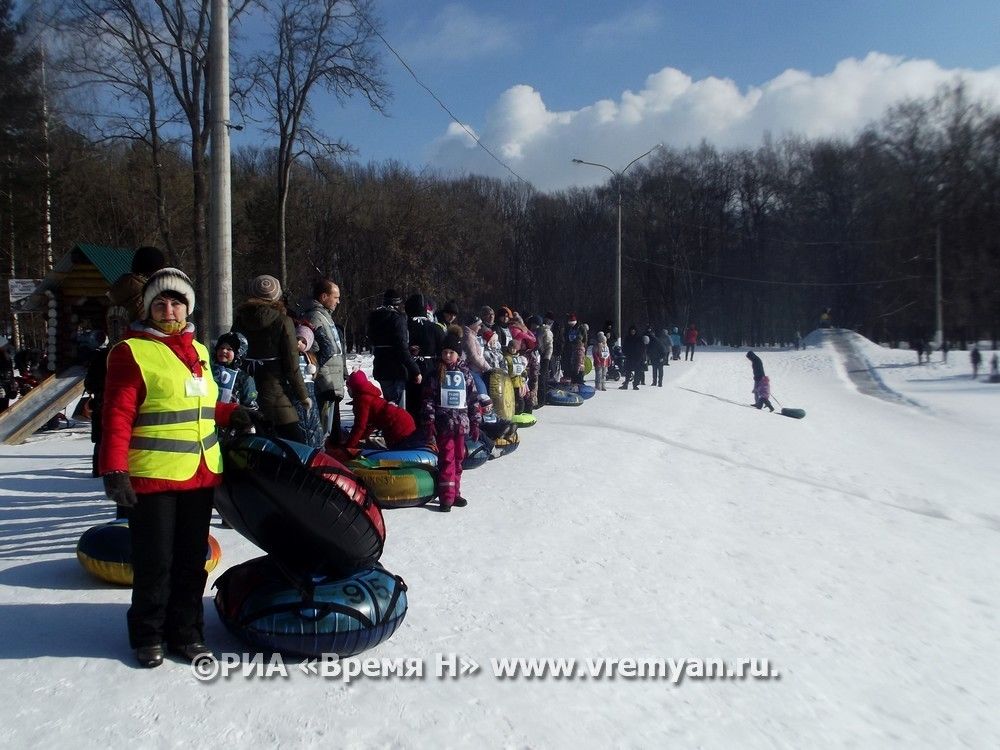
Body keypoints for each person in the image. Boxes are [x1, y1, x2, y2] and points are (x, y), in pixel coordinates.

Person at [99, 268, 251, 668]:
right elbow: (116, 416)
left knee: (190, 559)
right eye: (160, 303)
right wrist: (114, 470)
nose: (169, 310)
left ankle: (187, 633)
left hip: (199, 474)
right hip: (153, 477)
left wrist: (229, 413)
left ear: (188, 307)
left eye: (176, 302)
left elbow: (196, 404)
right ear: (148, 309)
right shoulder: (131, 351)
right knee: (155, 561)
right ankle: (148, 635)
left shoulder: (199, 350)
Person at [232, 274, 311, 443]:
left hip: (245, 394)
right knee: (296, 444)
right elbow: (292, 364)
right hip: (276, 393)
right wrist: (303, 395)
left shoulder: (240, 320)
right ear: (277, 296)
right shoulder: (283, 321)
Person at [422, 325, 481, 512]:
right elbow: (428, 399)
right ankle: (446, 498)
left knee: (458, 459)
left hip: (461, 425)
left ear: (458, 355)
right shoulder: (436, 373)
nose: (447, 356)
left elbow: (472, 399)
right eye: (445, 352)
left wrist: (475, 422)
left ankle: (455, 493)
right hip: (444, 424)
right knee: (447, 459)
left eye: (451, 353)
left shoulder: (465, 374)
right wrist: (430, 421)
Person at [333, 370, 421, 459]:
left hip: (398, 425)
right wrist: (360, 439)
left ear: (354, 388)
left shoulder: (362, 400)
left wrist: (348, 447)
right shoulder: (368, 395)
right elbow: (369, 424)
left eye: (348, 388)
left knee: (398, 453)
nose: (347, 391)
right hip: (404, 419)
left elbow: (360, 426)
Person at [305, 279, 347, 444]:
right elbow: (315, 355)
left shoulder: (325, 317)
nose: (338, 301)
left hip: (333, 381)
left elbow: (335, 349)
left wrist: (344, 373)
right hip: (325, 384)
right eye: (335, 297)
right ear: (324, 297)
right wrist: (325, 381)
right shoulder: (315, 318)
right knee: (324, 429)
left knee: (331, 426)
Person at [368, 289, 420, 406]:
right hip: (396, 369)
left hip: (380, 366)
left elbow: (372, 339)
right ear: (398, 303)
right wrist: (415, 369)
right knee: (397, 409)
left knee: (387, 405)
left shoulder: (374, 317)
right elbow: (401, 347)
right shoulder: (397, 318)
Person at [405, 292, 445, 422]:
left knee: (412, 403)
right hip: (429, 369)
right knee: (429, 402)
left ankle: (413, 429)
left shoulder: (404, 326)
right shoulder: (435, 328)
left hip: (409, 369)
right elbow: (443, 351)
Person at [210, 331, 258, 409]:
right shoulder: (208, 370)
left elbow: (250, 406)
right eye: (221, 348)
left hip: (233, 418)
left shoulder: (244, 378)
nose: (224, 351)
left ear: (238, 354)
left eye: (229, 349)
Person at [294, 324, 324, 448]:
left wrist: (318, 332)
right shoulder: (290, 356)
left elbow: (328, 350)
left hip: (310, 392)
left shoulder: (311, 358)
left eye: (303, 341)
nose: (299, 343)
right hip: (296, 393)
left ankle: (316, 447)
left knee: (313, 422)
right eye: (297, 339)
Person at [620, 325, 646, 390]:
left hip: (638, 358)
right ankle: (626, 384)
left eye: (634, 331)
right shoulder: (627, 338)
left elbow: (643, 348)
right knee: (628, 371)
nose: (633, 332)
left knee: (638, 372)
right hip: (629, 357)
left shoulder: (639, 338)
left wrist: (641, 355)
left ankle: (635, 385)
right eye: (632, 331)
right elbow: (624, 347)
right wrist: (626, 353)